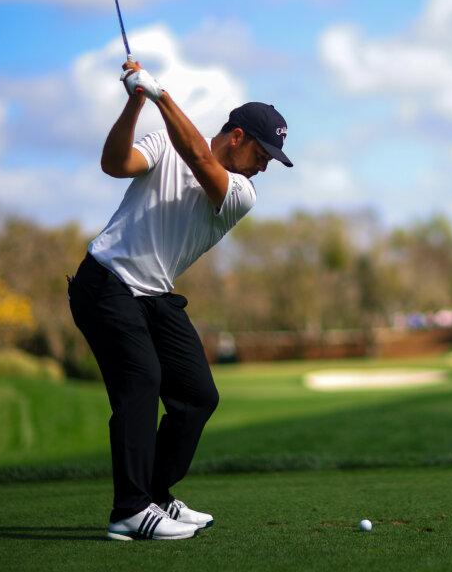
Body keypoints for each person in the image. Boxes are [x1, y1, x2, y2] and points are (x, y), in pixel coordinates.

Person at [67, 59, 292, 541]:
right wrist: (135, 103)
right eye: (263, 152)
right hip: (104, 282)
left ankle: (154, 494)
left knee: (196, 396)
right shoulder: (164, 146)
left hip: (151, 294)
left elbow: (200, 162)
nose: (265, 165)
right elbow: (115, 164)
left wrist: (160, 94)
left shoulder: (239, 192)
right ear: (237, 136)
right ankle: (130, 510)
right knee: (142, 380)